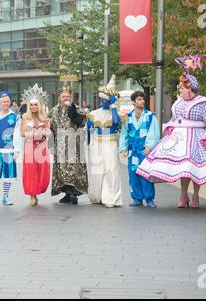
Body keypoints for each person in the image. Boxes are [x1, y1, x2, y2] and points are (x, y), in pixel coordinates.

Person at [136, 55, 206, 208]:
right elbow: (174, 119)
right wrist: (171, 127)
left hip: (197, 138)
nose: (179, 89)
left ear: (190, 88)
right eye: (180, 87)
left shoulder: (203, 103)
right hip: (179, 139)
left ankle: (196, 196)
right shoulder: (178, 103)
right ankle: (183, 195)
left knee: (195, 169)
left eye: (181, 87)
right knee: (183, 170)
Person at [119, 91, 160, 208]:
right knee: (133, 174)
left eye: (143, 99)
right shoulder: (128, 117)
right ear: (133, 102)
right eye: (139, 99)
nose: (142, 101)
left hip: (144, 150)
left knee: (146, 174)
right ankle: (137, 198)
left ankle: (149, 199)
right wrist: (123, 148)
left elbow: (154, 133)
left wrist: (149, 146)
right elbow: (124, 134)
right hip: (132, 150)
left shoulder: (150, 116)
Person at [86, 75, 122, 208]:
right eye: (101, 99)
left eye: (105, 100)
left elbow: (117, 122)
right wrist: (90, 143)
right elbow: (89, 129)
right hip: (97, 143)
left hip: (110, 142)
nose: (102, 101)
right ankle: (97, 195)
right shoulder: (94, 113)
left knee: (111, 170)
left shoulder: (116, 113)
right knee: (97, 169)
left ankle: (111, 198)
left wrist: (113, 106)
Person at [48, 86, 88, 204]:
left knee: (73, 169)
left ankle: (73, 193)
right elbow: (50, 129)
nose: (66, 98)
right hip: (60, 144)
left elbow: (82, 122)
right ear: (59, 98)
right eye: (64, 96)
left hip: (74, 144)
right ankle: (68, 193)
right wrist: (50, 145)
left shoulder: (77, 109)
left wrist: (74, 114)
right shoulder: (54, 111)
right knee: (61, 170)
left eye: (68, 96)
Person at [20, 84, 51, 206]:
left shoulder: (44, 118)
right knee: (31, 171)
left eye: (35, 104)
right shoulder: (25, 117)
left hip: (42, 147)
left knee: (42, 171)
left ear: (39, 106)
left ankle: (39, 189)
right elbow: (22, 133)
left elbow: (49, 132)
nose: (33, 107)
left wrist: (43, 131)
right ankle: (32, 196)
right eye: (31, 104)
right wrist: (32, 133)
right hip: (29, 147)